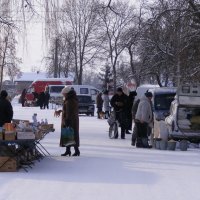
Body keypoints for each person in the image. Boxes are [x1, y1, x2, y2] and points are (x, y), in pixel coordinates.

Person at [54, 86, 80, 156]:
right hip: (72, 120)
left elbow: (69, 112)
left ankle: (76, 151)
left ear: (66, 93)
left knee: (71, 134)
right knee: (69, 135)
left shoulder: (69, 101)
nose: (62, 95)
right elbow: (68, 110)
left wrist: (67, 120)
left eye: (63, 93)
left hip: (70, 120)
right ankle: (69, 150)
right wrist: (61, 111)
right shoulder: (70, 99)